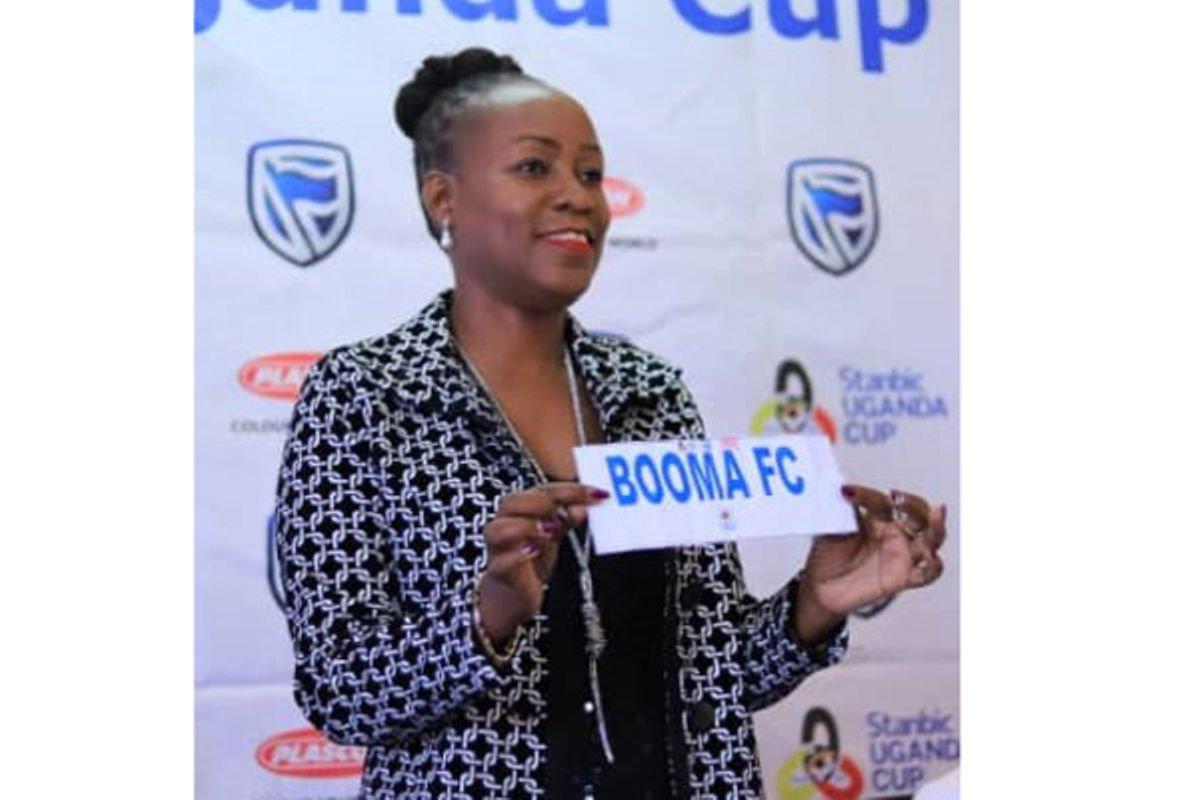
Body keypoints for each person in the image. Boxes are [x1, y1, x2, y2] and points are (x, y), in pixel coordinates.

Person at [273, 47, 948, 800]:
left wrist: (815, 605)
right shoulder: (365, 395)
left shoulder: (649, 391)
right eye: (535, 168)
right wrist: (490, 614)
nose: (578, 197)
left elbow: (711, 675)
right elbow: (339, 692)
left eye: (591, 175)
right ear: (444, 199)